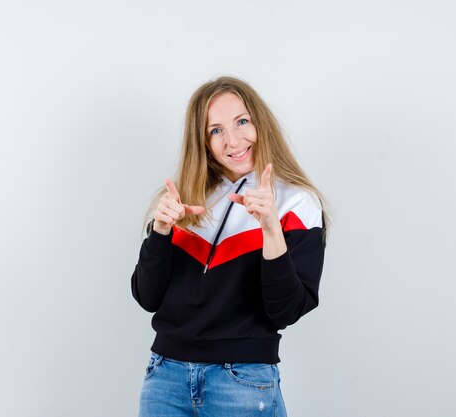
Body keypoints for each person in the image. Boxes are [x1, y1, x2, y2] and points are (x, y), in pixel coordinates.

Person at [131, 76, 328, 417]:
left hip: (241, 381)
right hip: (166, 377)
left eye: (241, 122)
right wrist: (161, 231)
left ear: (259, 122)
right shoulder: (183, 199)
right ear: (203, 142)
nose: (233, 140)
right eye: (216, 130)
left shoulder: (298, 203)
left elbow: (286, 311)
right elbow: (147, 297)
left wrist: (270, 227)